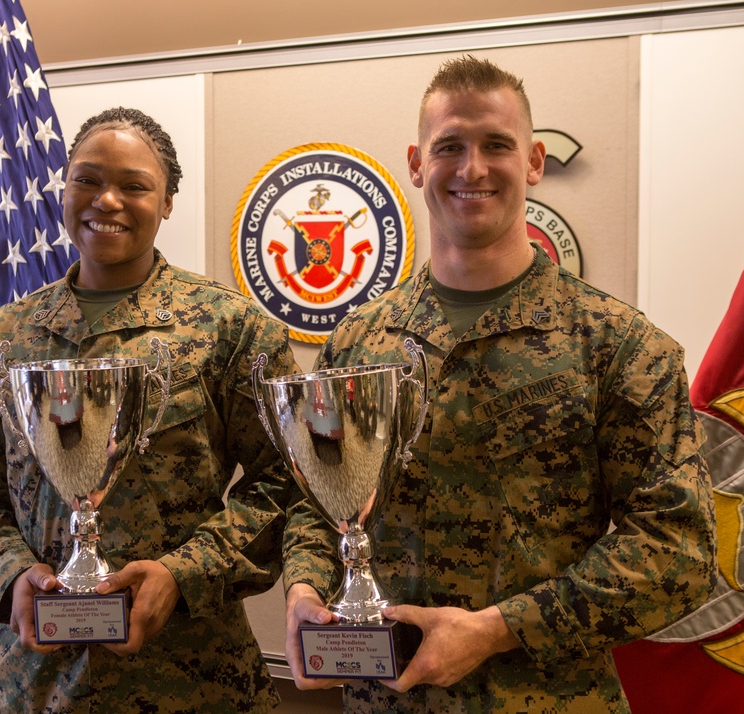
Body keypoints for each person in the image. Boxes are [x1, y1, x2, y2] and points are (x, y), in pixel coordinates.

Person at [281, 56, 718, 712]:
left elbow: (679, 551)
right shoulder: (357, 341)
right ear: (415, 163)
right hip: (386, 698)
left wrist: (495, 631)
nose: (472, 168)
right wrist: (305, 591)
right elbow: (318, 507)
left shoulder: (618, 344)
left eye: (497, 145)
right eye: (449, 146)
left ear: (535, 161)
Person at [0, 107, 300, 713]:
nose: (107, 201)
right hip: (38, 684)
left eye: (134, 185)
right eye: (87, 179)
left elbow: (288, 482)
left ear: (167, 202)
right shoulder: (1, 339)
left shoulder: (230, 329)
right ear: (64, 188)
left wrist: (185, 574)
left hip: (194, 681)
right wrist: (8, 576)